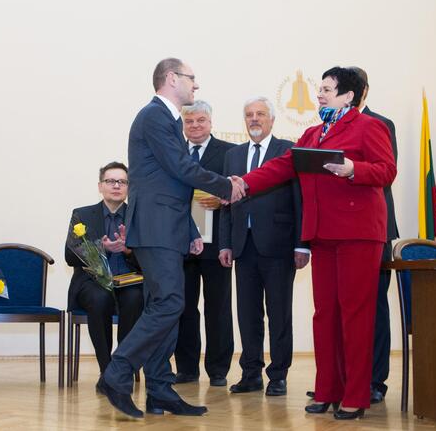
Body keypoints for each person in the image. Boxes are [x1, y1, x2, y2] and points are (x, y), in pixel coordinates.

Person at [240, 67, 396, 420]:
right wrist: (243, 184)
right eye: (320, 89)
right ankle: (327, 389)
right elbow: (281, 167)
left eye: (327, 89)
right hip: (323, 235)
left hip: (359, 234)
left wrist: (354, 169)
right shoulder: (313, 133)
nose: (320, 95)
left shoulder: (370, 127)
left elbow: (387, 170)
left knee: (355, 314)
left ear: (348, 96)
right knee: (325, 314)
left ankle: (355, 395)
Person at [98, 58, 245, 419]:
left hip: (166, 226)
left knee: (165, 305)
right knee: (169, 304)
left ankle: (160, 389)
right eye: (192, 79)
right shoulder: (154, 116)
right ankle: (117, 372)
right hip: (155, 227)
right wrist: (226, 186)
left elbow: (171, 181)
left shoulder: (167, 120)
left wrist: (191, 229)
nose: (196, 86)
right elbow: (183, 169)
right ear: (171, 78)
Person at [219, 97, 310, 397]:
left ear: (272, 120)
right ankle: (251, 373)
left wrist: (302, 245)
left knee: (279, 313)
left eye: (260, 114)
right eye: (249, 115)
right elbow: (224, 205)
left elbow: (300, 198)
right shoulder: (233, 156)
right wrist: (225, 244)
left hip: (279, 246)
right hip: (243, 247)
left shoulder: (287, 150)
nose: (254, 119)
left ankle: (278, 374)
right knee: (247, 314)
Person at [174, 100, 235, 387]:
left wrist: (223, 200)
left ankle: (219, 369)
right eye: (190, 122)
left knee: (218, 307)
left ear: (210, 122)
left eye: (200, 121)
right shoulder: (174, 152)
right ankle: (186, 368)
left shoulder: (229, 153)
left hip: (217, 243)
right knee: (184, 307)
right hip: (181, 243)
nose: (195, 126)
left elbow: (237, 192)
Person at [65, 161, 144, 382]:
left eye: (122, 182)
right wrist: (101, 247)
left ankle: (123, 365)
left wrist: (129, 250)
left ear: (129, 187)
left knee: (135, 297)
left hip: (129, 282)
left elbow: (148, 261)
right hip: (92, 283)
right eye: (110, 181)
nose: (116, 185)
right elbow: (70, 256)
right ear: (100, 186)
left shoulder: (137, 216)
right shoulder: (82, 215)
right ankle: (106, 369)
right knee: (99, 298)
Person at [351, 66, 399, 403]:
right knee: (343, 307)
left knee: (374, 308)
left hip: (374, 231)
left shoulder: (379, 124)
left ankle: (374, 381)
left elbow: (384, 173)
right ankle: (345, 378)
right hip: (339, 232)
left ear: (360, 91)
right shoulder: (327, 128)